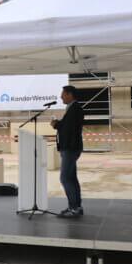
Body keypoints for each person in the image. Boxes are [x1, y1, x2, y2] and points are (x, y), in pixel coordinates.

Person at [51, 85, 85, 218]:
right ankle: (76, 206)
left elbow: (68, 129)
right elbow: (68, 126)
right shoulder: (73, 108)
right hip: (70, 147)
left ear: (70, 94)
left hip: (70, 148)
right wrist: (59, 124)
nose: (61, 97)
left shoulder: (75, 109)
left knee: (65, 178)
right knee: (71, 178)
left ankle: (74, 208)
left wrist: (56, 125)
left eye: (63, 94)